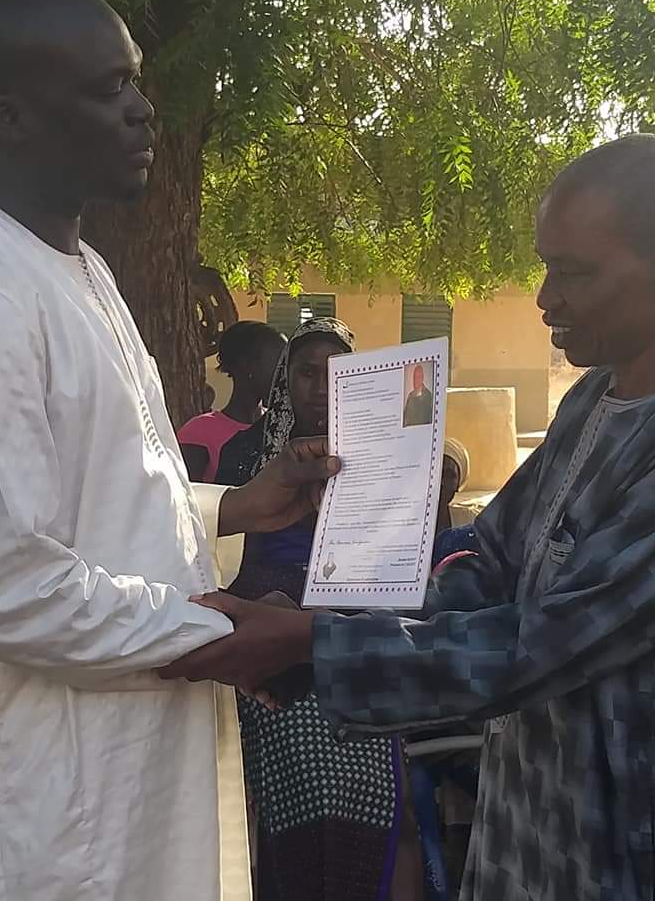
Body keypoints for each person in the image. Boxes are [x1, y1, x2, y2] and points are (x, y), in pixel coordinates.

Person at [163, 135, 655, 901]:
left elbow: (539, 644)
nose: (545, 299)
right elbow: (487, 564)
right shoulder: (592, 404)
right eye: (545, 267)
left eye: (576, 272)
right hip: (525, 832)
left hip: (616, 843)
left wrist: (315, 643)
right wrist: (322, 627)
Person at [0, 0, 338, 901]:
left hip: (133, 759)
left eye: (138, 81)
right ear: (12, 118)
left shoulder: (79, 268)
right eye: (110, 87)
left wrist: (237, 505)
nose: (144, 110)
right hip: (51, 802)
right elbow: (9, 587)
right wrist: (223, 633)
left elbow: (96, 493)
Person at [215, 317, 423, 901]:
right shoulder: (245, 454)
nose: (322, 387)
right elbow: (218, 552)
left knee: (387, 801)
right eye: (307, 372)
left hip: (355, 633)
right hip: (269, 635)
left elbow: (406, 553)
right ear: (286, 378)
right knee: (302, 795)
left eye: (337, 373)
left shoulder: (384, 456)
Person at [178, 321, 286, 481]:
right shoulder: (199, 431)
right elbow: (186, 493)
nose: (285, 376)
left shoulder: (281, 427)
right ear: (247, 366)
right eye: (278, 366)